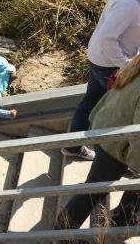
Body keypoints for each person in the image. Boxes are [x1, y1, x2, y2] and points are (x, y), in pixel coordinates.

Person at [54, 53, 140, 234]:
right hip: (114, 145)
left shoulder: (136, 63)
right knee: (93, 190)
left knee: (96, 186)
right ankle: (64, 231)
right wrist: (137, 167)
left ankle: (124, 218)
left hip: (106, 129)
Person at [63, 0, 140, 161]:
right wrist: (125, 64)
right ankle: (109, 161)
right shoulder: (129, 5)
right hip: (110, 65)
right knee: (116, 112)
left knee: (90, 101)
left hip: (101, 59)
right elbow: (107, 37)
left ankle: (73, 146)